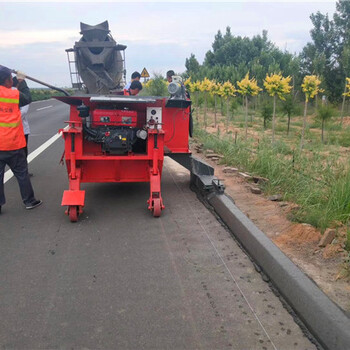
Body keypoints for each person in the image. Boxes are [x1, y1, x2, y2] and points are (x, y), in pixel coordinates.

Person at [0, 66, 42, 214]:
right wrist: (22, 81)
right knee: (22, 174)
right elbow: (27, 98)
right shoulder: (13, 94)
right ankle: (29, 201)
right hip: (13, 143)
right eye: (10, 79)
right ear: (7, 80)